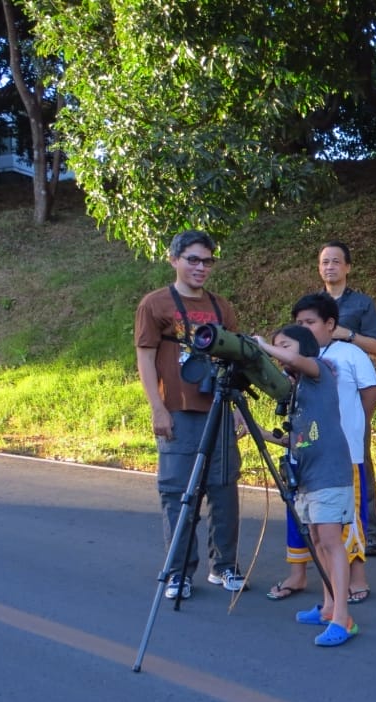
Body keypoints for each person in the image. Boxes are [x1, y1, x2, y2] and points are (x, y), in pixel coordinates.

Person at [134, 229, 245, 600]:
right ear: (174, 260)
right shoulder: (155, 304)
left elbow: (236, 358)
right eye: (193, 259)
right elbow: (146, 357)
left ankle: (225, 566)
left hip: (219, 408)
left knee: (224, 488)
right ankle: (179, 571)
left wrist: (240, 410)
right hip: (179, 411)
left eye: (207, 261)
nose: (201, 267)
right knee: (177, 492)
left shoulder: (221, 307)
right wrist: (157, 407)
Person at [266, 293, 376, 604]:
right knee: (304, 519)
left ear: (330, 324)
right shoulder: (291, 364)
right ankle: (299, 574)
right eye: (299, 323)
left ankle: (356, 579)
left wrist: (356, 427)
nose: (304, 327)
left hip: (341, 455)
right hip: (304, 454)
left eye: (310, 322)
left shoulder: (348, 354)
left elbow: (370, 393)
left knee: (347, 519)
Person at [254, 325, 358, 646]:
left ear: (305, 349)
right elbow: (297, 440)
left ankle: (344, 618)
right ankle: (328, 608)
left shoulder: (319, 372)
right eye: (277, 346)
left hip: (329, 473)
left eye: (286, 345)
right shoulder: (297, 390)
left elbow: (298, 360)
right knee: (316, 539)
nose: (281, 351)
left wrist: (262, 346)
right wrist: (260, 432)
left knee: (330, 540)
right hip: (308, 477)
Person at [317, 240, 376, 556]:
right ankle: (324, 526)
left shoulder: (361, 304)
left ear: (347, 267)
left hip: (355, 391)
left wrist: (347, 335)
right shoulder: (312, 305)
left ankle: (369, 529)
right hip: (319, 391)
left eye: (335, 261)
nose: (329, 266)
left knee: (359, 459)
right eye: (324, 262)